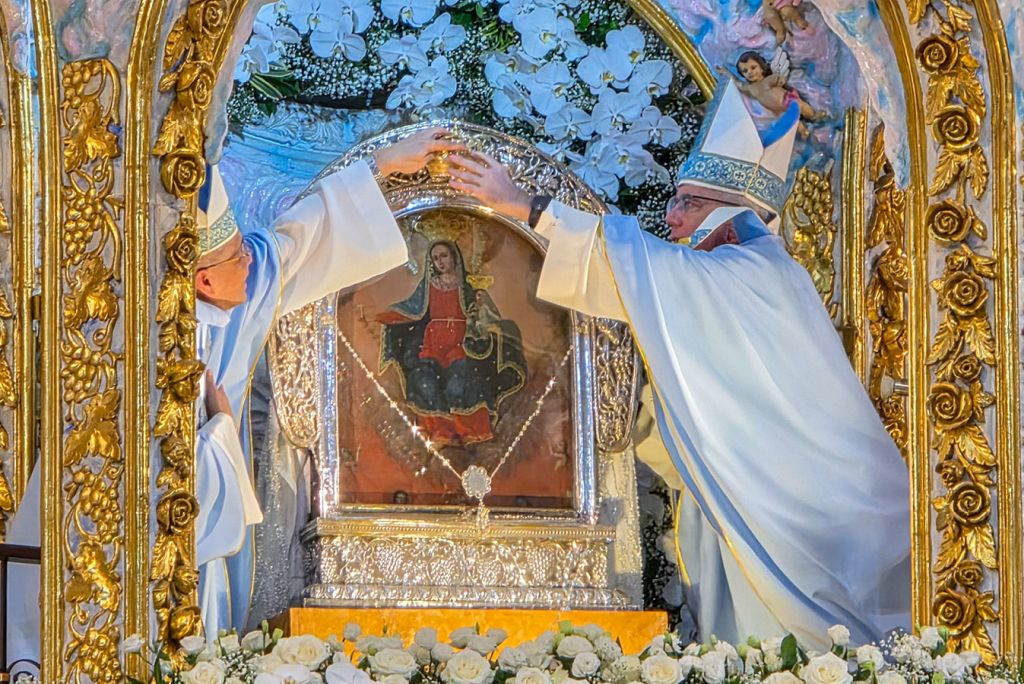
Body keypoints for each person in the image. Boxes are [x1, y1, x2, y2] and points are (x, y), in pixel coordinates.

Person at [445, 79, 911, 647]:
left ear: (731, 214)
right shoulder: (740, 275)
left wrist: (525, 207)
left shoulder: (755, 273)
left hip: (809, 511)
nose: (671, 218)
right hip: (758, 499)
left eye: (686, 204)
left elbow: (646, 270)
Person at [5, 127, 463, 657]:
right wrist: (220, 427)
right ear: (202, 281)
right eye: (240, 254)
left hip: (211, 543)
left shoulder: (240, 294)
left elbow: (296, 239)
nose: (253, 258)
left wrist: (383, 165)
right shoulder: (141, 342)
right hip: (134, 552)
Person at [377, 240, 526, 448]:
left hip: (460, 343)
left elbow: (488, 318)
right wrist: (387, 317)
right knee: (425, 381)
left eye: (444, 256)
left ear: (454, 257)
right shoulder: (428, 288)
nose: (440, 262)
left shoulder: (469, 289)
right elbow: (411, 309)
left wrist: (481, 321)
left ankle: (469, 433)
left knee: (460, 380)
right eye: (435, 258)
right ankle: (440, 433)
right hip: (433, 342)